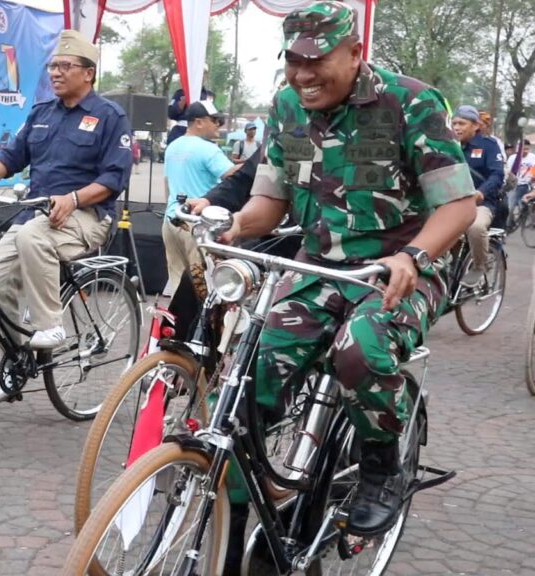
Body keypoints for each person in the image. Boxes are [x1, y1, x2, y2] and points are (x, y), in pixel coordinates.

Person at [212, 1, 475, 540]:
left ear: (355, 53)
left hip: (405, 269)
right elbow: (271, 201)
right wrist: (234, 225)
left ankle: (381, 465)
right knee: (249, 373)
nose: (303, 75)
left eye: (317, 61)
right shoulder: (287, 106)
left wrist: (413, 256)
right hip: (320, 269)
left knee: (360, 349)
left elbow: (458, 206)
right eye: (293, 61)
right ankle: (237, 518)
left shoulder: (409, 101)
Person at [0, 30, 133, 401]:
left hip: (88, 216)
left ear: (88, 73)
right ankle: (19, 357)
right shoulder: (41, 113)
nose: (55, 72)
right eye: (52, 65)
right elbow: (9, 157)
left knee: (30, 236)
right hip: (37, 216)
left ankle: (49, 325)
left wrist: (73, 198)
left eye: (65, 66)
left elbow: (114, 177)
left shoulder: (109, 116)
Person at [161, 100, 234, 296]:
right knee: (205, 289)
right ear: (199, 122)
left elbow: (167, 185)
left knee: (178, 286)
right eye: (215, 120)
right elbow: (235, 178)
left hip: (171, 220)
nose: (219, 124)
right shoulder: (208, 149)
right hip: (198, 225)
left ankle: (176, 325)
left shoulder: (172, 147)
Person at [452, 104, 504, 281]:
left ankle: (479, 266)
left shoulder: (489, 145)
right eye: (455, 123)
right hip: (453, 202)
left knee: (475, 227)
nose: (457, 127)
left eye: (462, 123)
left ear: (475, 125)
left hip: (482, 203)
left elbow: (497, 175)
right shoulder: (450, 145)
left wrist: (481, 192)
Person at [165, 65, 214, 146]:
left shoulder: (209, 96)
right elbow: (171, 114)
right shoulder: (180, 93)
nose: (201, 76)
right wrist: (182, 103)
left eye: (203, 73)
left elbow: (212, 117)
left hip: (200, 132)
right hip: (181, 131)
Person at [508, 139, 534, 209]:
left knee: (525, 206)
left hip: (528, 185)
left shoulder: (533, 158)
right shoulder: (512, 158)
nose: (525, 151)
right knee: (512, 207)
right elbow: (509, 172)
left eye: (527, 149)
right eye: (523, 149)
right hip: (515, 186)